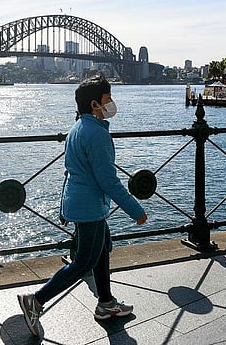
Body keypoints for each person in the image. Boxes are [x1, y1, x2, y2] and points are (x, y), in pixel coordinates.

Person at [18, 75, 148, 337]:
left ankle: (106, 303)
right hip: (90, 207)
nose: (111, 103)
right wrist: (135, 210)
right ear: (94, 104)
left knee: (102, 250)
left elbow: (70, 172)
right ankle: (37, 300)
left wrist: (63, 207)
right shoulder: (96, 134)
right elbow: (108, 180)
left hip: (82, 203)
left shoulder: (77, 129)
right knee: (84, 260)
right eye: (107, 99)